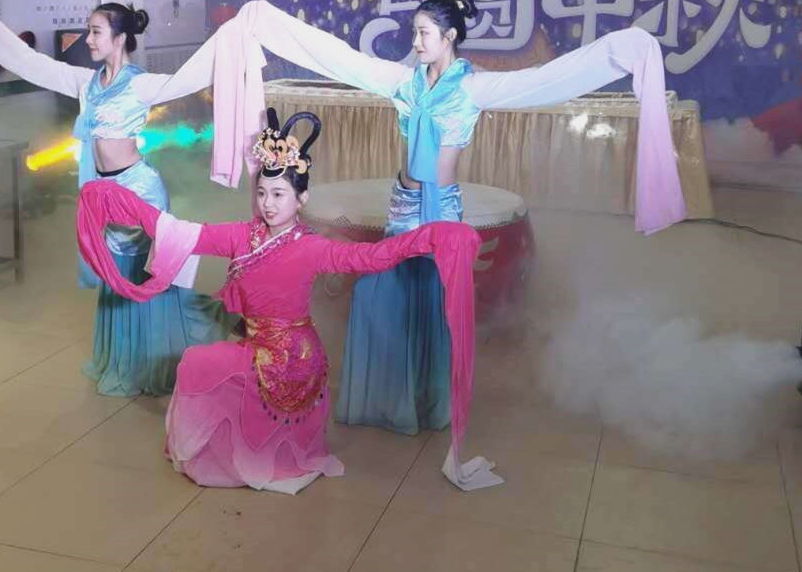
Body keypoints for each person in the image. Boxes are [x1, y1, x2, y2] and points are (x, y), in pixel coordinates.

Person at [202, 0, 687, 435]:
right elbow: (340, 58)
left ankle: (428, 401)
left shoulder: (474, 88)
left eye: (424, 34)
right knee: (383, 294)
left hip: (443, 209)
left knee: (434, 302)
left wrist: (622, 50)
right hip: (403, 205)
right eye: (414, 33)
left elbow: (545, 80)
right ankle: (387, 399)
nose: (415, 42)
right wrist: (268, 22)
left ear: (449, 36)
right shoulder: (403, 83)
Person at [76, 109, 498, 494]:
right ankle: (232, 452)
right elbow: (189, 234)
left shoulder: (311, 247)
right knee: (200, 363)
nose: (268, 204)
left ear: (301, 199)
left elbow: (371, 257)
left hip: (293, 356)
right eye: (262, 193)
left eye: (279, 194)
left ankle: (258, 454)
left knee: (198, 363)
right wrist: (117, 199)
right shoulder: (244, 235)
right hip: (257, 345)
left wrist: (432, 236)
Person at [0, 0, 238, 397]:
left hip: (139, 191)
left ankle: (150, 362)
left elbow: (190, 77)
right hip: (104, 195)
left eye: (96, 32)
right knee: (116, 274)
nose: (88, 39)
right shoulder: (85, 83)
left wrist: (236, 42)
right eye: (89, 31)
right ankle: (125, 357)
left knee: (140, 274)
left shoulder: (140, 84)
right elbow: (29, 62)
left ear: (120, 38)